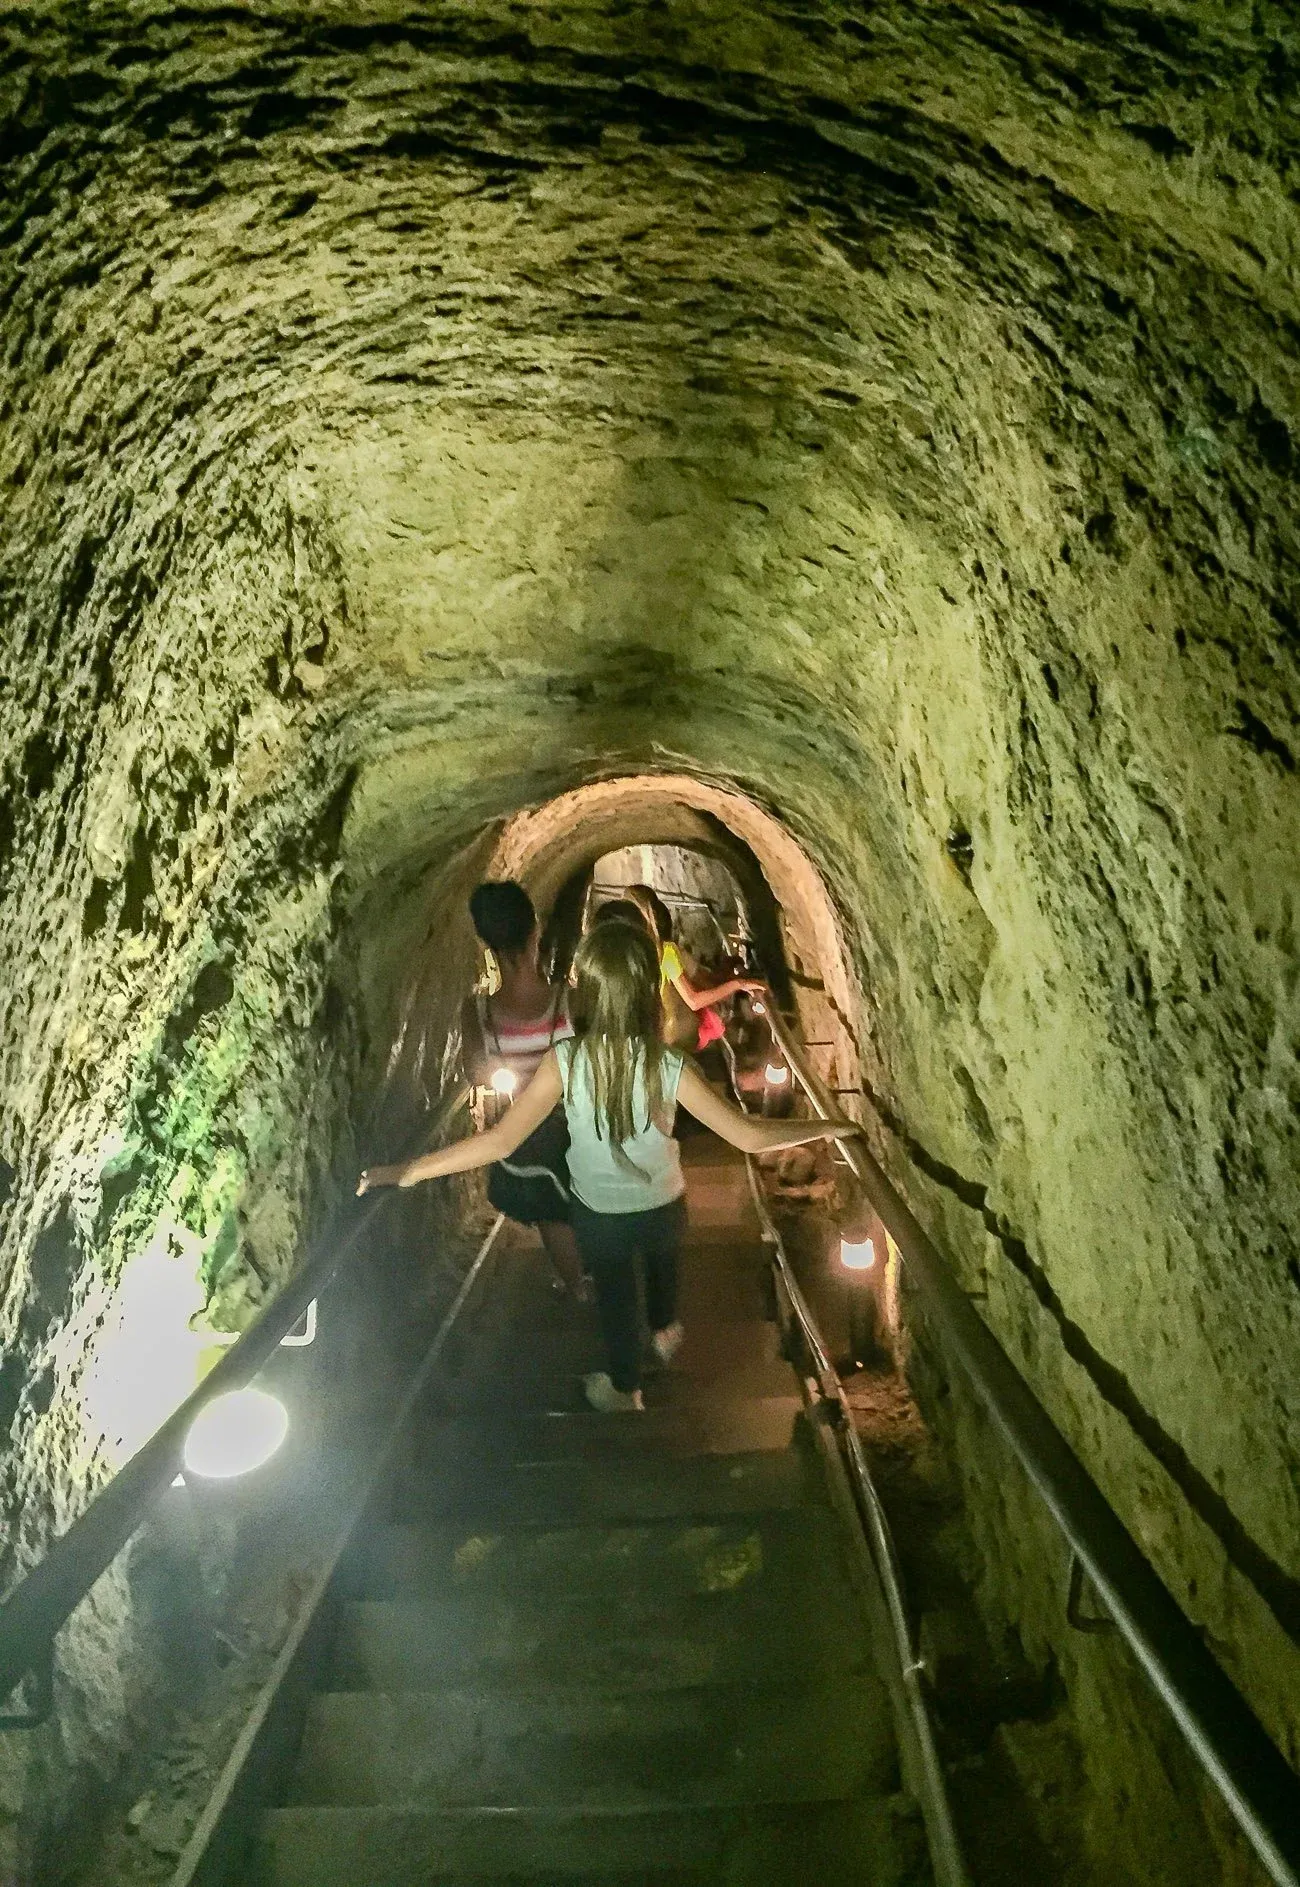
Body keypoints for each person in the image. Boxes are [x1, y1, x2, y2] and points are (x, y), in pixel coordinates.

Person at [360, 921, 859, 1412]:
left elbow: (499, 1141)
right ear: (649, 991)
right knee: (664, 1270)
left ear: (584, 990)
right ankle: (665, 1328)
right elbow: (748, 1135)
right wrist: (826, 1126)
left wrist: (403, 1172)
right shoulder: (669, 1066)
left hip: (600, 1216)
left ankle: (626, 1388)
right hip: (664, 1203)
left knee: (618, 1303)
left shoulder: (566, 1061)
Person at [458, 880, 585, 1297]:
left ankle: (577, 1286)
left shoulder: (477, 1012)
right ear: (535, 932)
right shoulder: (571, 1001)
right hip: (582, 1127)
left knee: (552, 1212)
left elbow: (478, 1074)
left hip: (528, 1135)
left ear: (486, 944)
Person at [624, 883, 765, 1051]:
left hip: (655, 1036)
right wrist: (739, 984)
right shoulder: (666, 952)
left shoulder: (630, 955)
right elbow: (694, 1001)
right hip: (678, 1035)